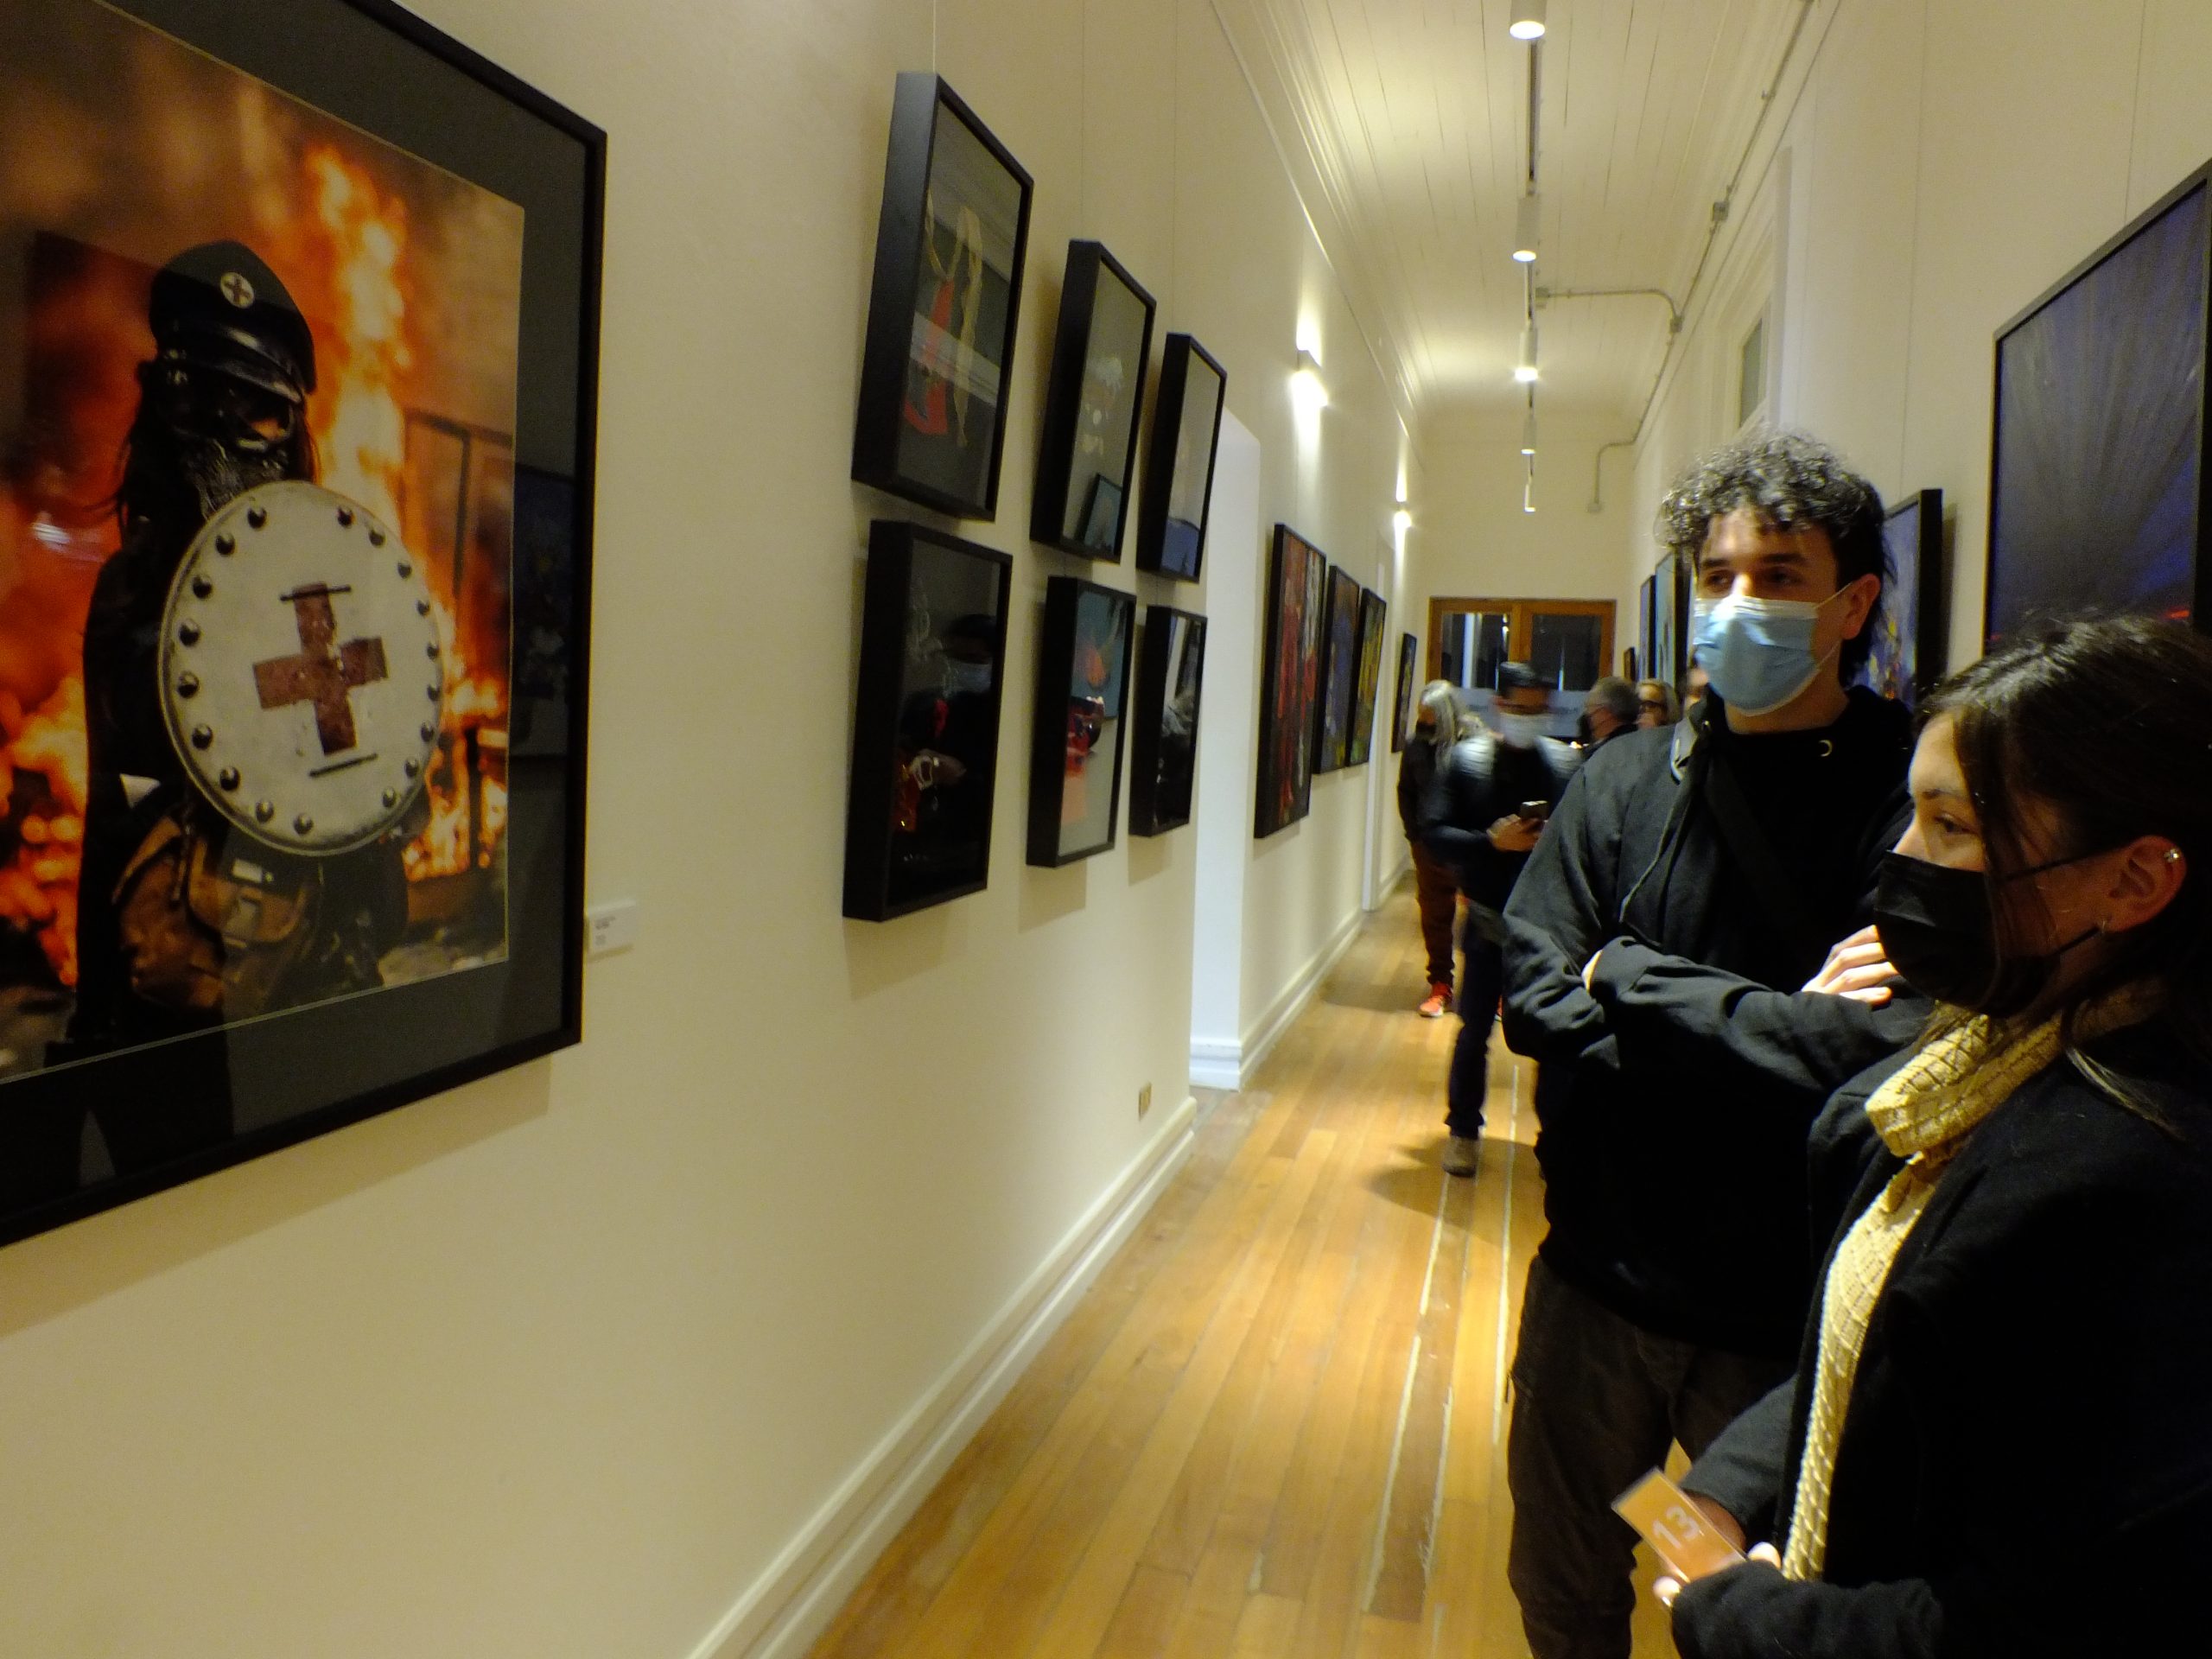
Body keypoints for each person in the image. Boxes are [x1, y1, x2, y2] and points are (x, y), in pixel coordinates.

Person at [1663, 616, 2212, 1658]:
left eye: (1950, 827)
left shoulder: (2138, 1180)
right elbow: (1879, 1364)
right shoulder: (1993, 1048)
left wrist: (1737, 1616)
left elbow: (2045, 1619)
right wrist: (1733, 1488)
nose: (1903, 861)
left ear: (2135, 880)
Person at [1496, 431, 1928, 1659]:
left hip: (1777, 1326)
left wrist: (1624, 978)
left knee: (1735, 1601)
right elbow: (1536, 996)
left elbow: (1877, 1053)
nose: (1740, 603)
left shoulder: (1912, 796)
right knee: (1565, 1581)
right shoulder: (1627, 780)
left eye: (1779, 576)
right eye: (1719, 575)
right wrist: (1776, 1024)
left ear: (1851, 602)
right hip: (1598, 1287)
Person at [1421, 661, 1580, 1177]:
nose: (1527, 718)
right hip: (1488, 916)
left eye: (1537, 709)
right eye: (1519, 708)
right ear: (1500, 705)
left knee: (1550, 1035)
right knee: (1473, 1033)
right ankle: (1463, 1129)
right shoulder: (1466, 762)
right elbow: (1433, 831)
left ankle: (1555, 1137)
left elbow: (1590, 838)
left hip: (1548, 925)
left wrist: (1553, 837)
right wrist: (1490, 842)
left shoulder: (1563, 764)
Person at [1399, 681, 1465, 1018]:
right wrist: (1415, 836)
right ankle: (1440, 983)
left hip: (1471, 844)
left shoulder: (1473, 745)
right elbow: (1406, 791)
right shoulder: (1415, 747)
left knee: (1485, 919)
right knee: (1435, 917)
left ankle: (1493, 988)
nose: (1423, 720)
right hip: (1430, 845)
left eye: (1430, 714)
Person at [1579, 677, 1639, 749]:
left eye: (1591, 713)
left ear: (1605, 713)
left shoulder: (1612, 750)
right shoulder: (1638, 738)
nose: (1589, 719)